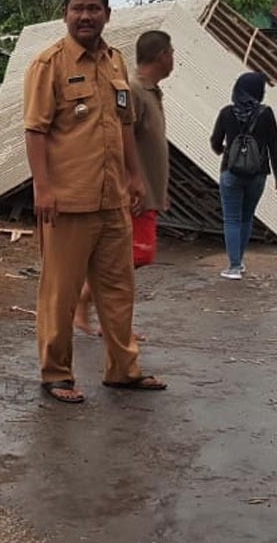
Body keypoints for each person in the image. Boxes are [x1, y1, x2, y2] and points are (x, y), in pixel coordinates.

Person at [23, 0, 167, 403]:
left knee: (119, 290)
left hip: (112, 202)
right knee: (60, 294)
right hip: (67, 202)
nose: (85, 16)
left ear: (107, 12)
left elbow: (124, 125)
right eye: (77, 8)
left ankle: (123, 369)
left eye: (93, 8)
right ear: (65, 14)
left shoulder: (116, 63)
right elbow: (35, 131)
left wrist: (134, 176)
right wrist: (42, 189)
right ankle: (56, 374)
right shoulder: (48, 65)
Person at [74, 30, 175, 338]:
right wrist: (131, 181)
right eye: (171, 53)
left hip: (148, 193)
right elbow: (118, 140)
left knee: (130, 260)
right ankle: (100, 313)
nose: (174, 60)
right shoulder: (132, 90)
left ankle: (100, 312)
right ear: (161, 56)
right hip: (133, 194)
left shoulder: (151, 92)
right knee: (126, 260)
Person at [209, 72, 277, 280]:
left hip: (230, 173)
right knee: (246, 217)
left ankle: (234, 266)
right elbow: (273, 145)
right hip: (258, 174)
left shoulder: (226, 113)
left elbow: (215, 142)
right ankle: (239, 262)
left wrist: (224, 151)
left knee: (231, 219)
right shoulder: (266, 113)